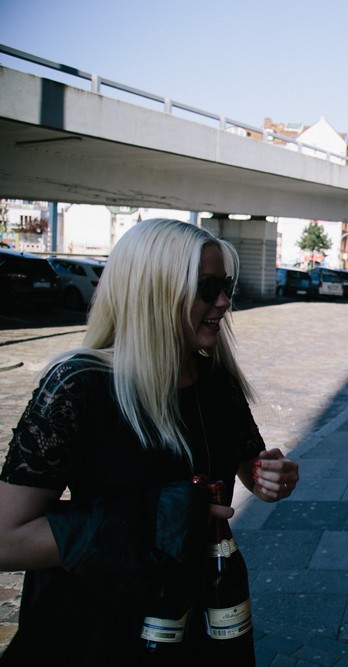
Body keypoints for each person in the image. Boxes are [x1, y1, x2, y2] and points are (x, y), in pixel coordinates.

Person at [0, 218, 299, 663]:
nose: (223, 302)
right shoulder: (79, 386)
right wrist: (163, 517)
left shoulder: (217, 382)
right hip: (99, 626)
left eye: (227, 286)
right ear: (155, 292)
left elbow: (247, 466)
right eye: (207, 287)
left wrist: (270, 476)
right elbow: (7, 539)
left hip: (202, 615)